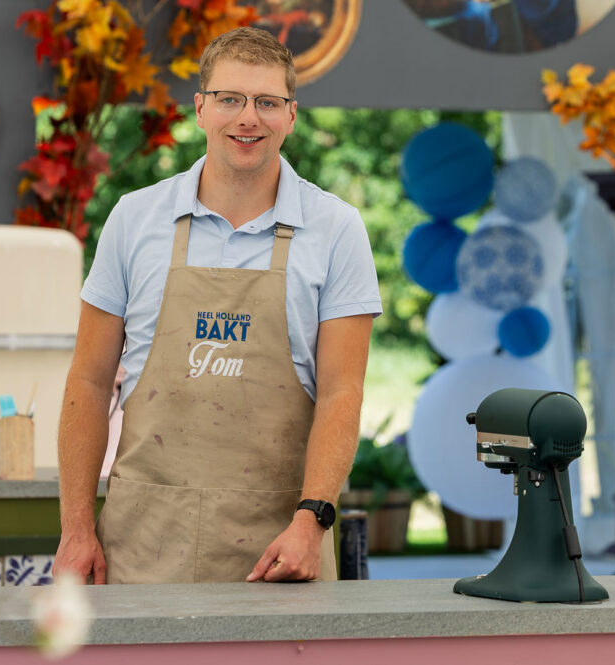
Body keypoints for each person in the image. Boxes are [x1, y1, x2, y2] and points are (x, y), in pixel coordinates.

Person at [52, 26, 381, 585]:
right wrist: (77, 528)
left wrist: (312, 522)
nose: (247, 118)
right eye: (230, 99)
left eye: (267, 103)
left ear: (291, 116)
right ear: (201, 109)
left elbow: (343, 393)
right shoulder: (134, 218)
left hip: (281, 550)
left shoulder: (336, 229)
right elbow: (87, 381)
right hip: (143, 545)